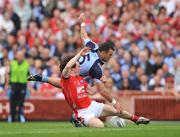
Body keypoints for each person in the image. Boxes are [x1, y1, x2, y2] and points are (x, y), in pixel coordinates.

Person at [27, 47, 150, 128]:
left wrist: (101, 83)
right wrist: (80, 53)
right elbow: (65, 69)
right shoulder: (66, 77)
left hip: (92, 105)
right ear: (73, 67)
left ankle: (136, 119)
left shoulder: (80, 79)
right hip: (82, 112)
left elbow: (91, 91)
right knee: (100, 126)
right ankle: (77, 119)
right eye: (78, 65)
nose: (80, 67)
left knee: (118, 111)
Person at [6, 51, 30, 122]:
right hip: (14, 84)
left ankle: (21, 116)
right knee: (12, 101)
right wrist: (7, 84)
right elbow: (9, 74)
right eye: (18, 55)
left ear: (23, 56)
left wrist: (29, 86)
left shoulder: (26, 64)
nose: (19, 57)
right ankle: (11, 116)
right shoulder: (13, 63)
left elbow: (28, 75)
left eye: (21, 55)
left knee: (21, 102)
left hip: (22, 84)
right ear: (16, 56)